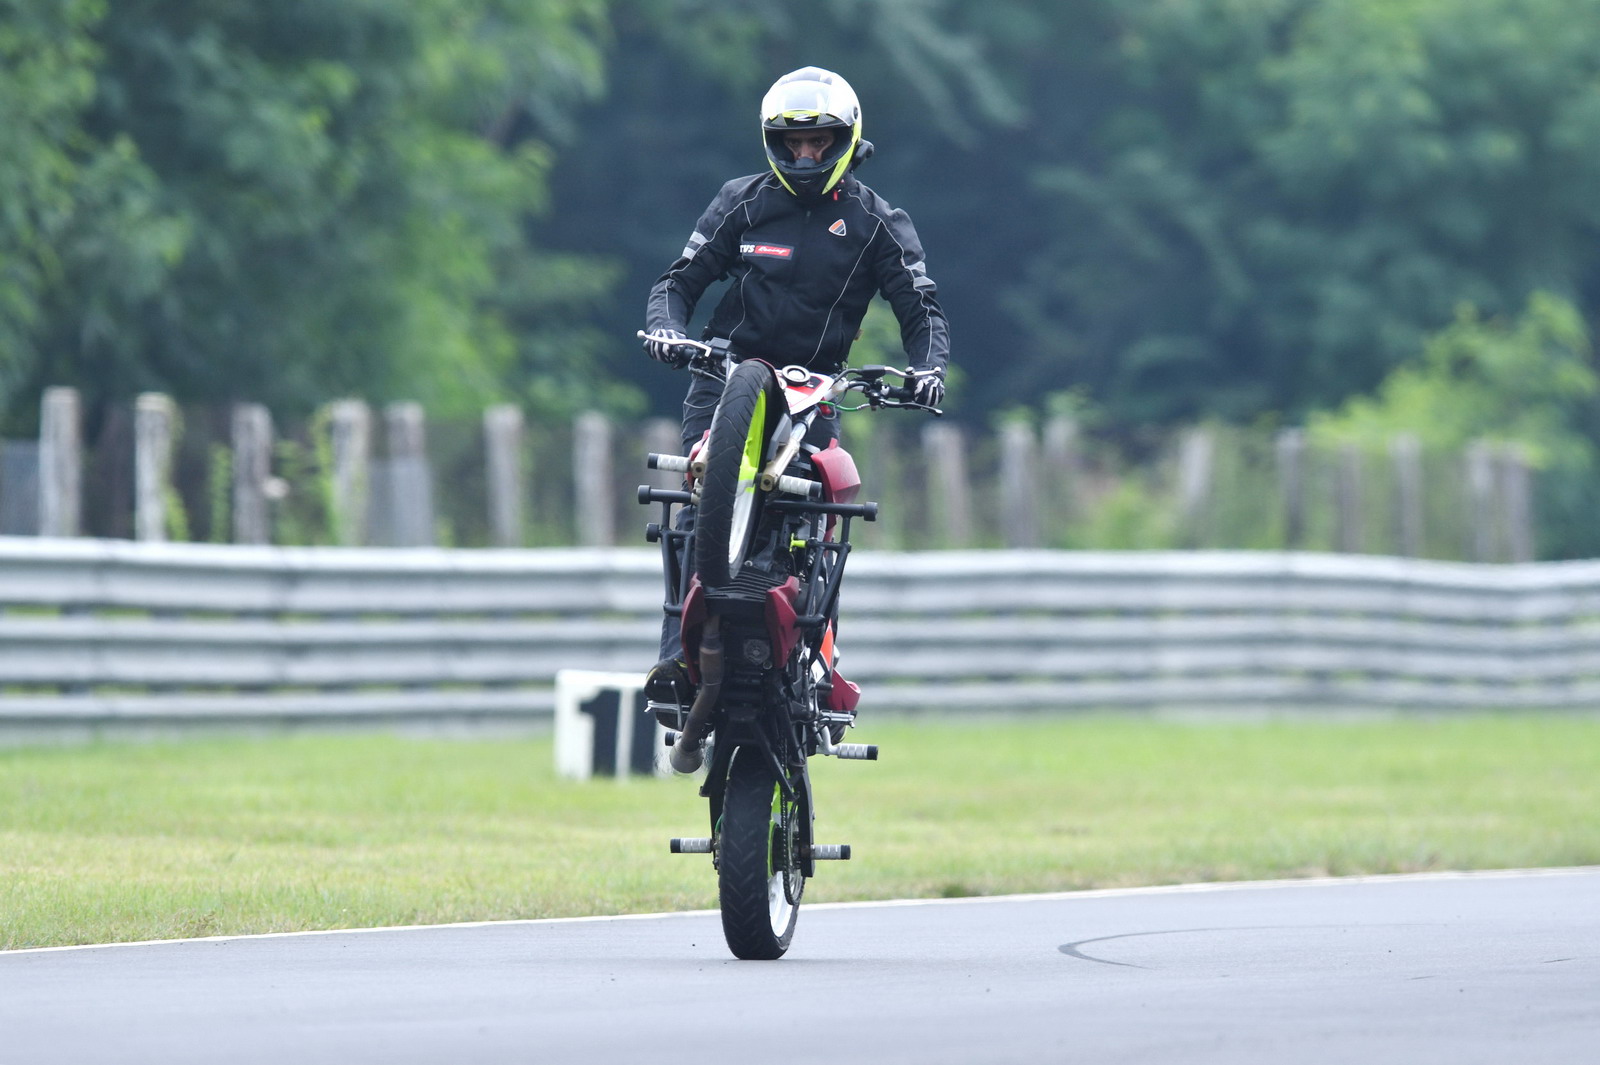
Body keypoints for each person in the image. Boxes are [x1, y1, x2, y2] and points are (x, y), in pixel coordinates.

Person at [640, 65, 950, 705]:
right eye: (792, 143)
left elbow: (922, 310)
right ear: (772, 144)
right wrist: (667, 330)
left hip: (818, 392)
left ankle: (818, 664)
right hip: (724, 378)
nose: (805, 155)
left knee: (825, 509)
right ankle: (674, 659)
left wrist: (928, 371)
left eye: (818, 142)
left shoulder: (878, 221)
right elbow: (678, 282)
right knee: (697, 497)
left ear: (846, 141)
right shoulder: (741, 200)